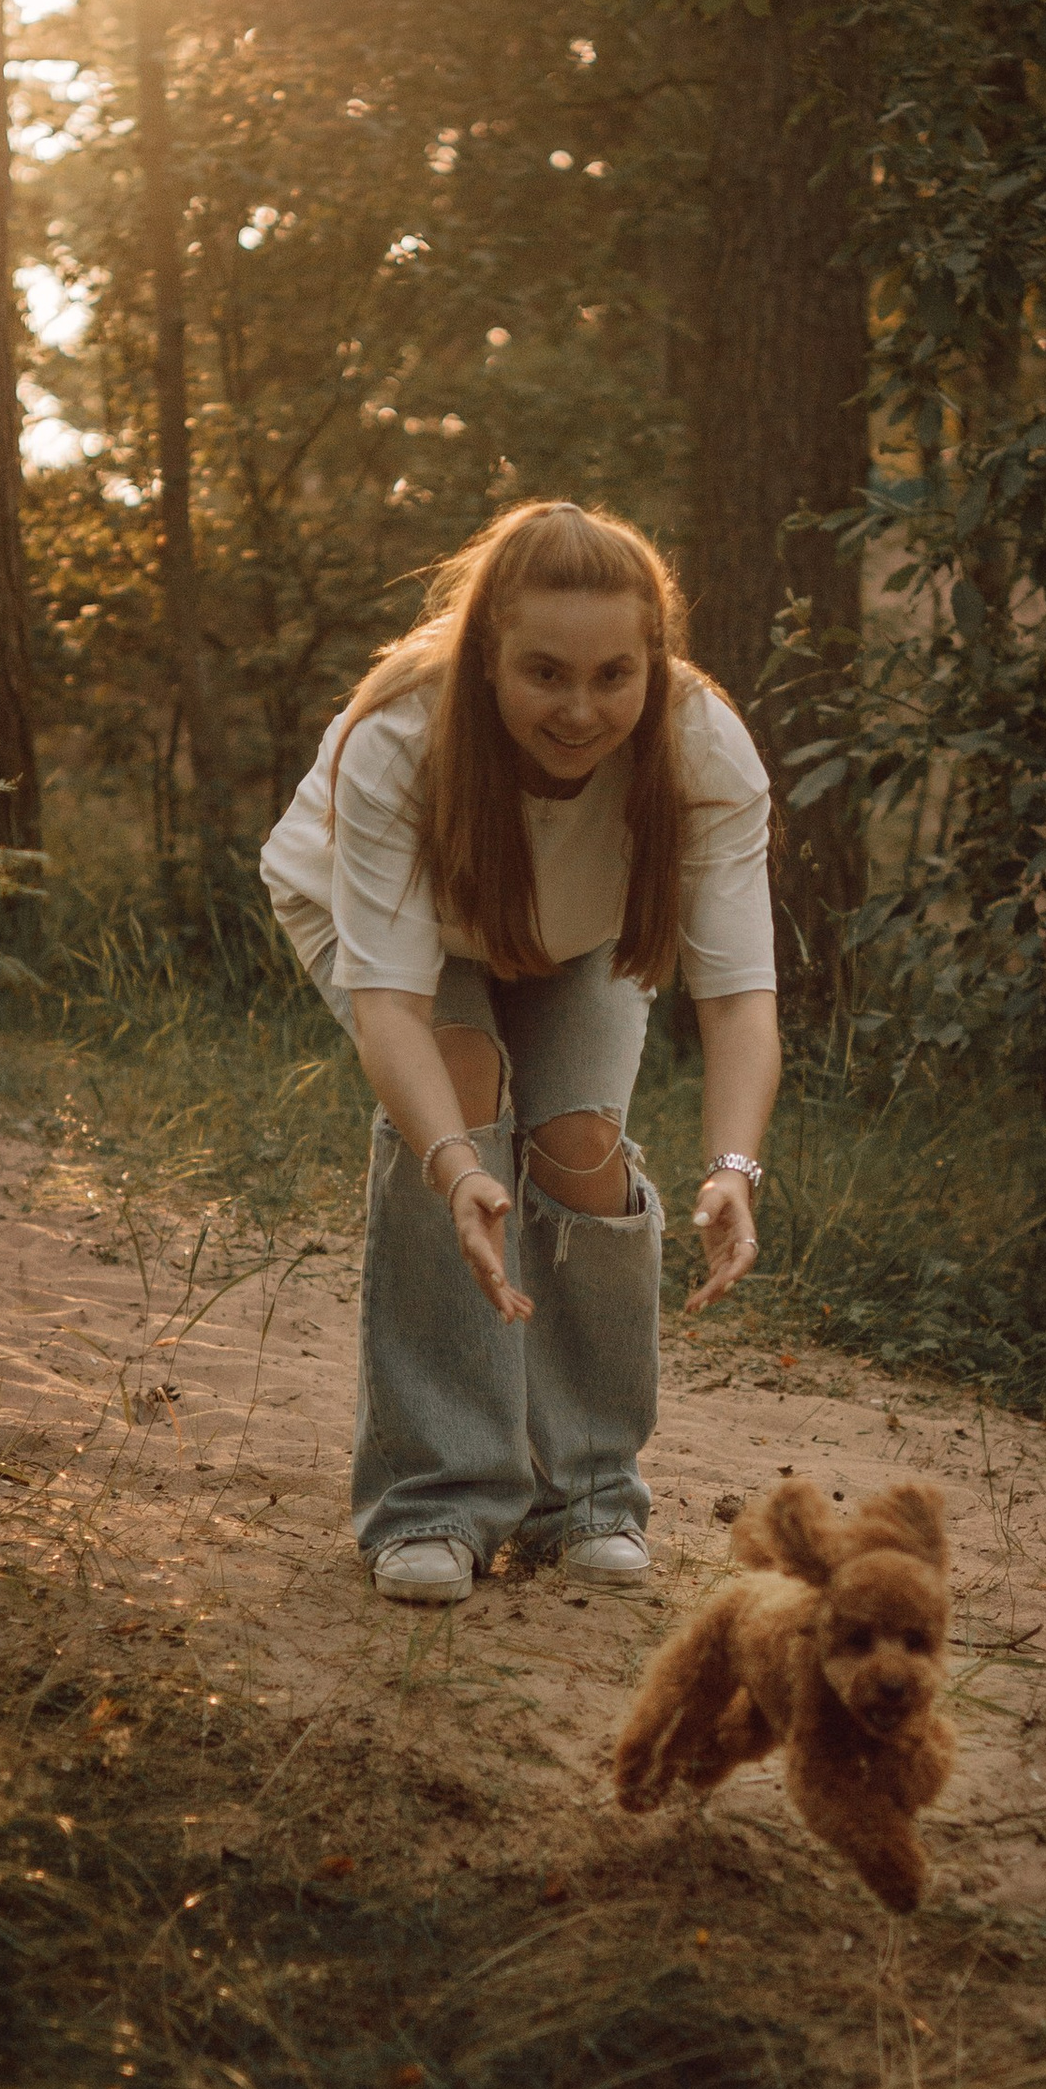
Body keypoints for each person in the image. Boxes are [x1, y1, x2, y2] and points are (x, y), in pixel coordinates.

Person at [260, 497, 780, 1607]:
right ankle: (435, 1497)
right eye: (545, 673)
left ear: (654, 662)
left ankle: (587, 1491)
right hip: (397, 942)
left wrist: (733, 1169)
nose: (580, 710)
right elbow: (393, 1007)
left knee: (581, 1143)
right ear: (488, 656)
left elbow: (740, 1001)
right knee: (462, 1094)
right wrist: (454, 1171)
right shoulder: (398, 736)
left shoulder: (702, 747)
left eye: (613, 676)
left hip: (574, 933)